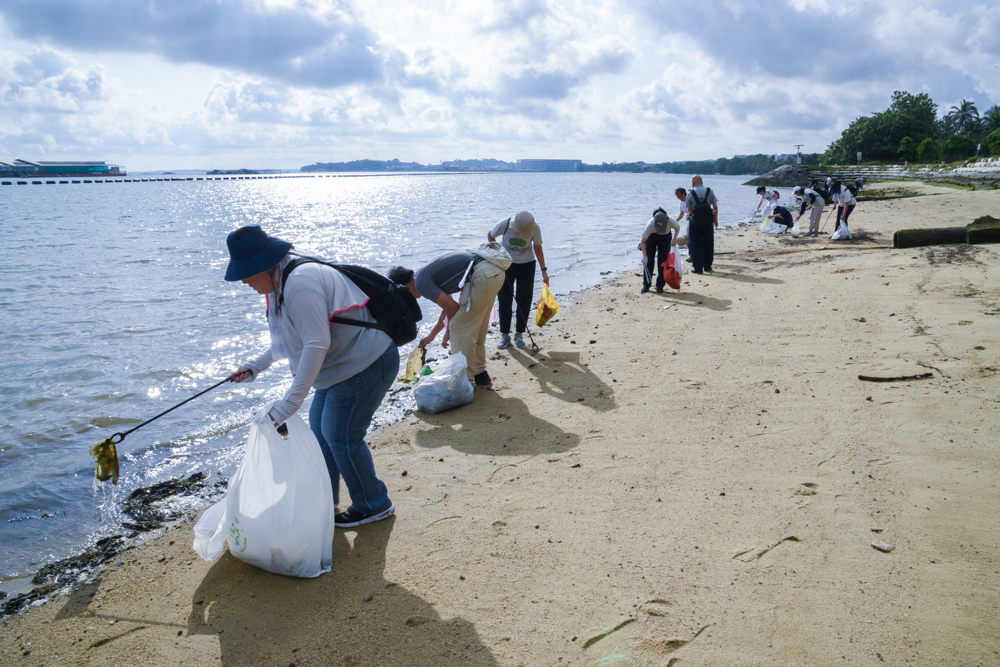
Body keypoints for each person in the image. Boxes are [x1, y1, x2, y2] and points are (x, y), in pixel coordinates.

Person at [226, 226, 396, 528]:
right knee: (321, 434)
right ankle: (323, 500)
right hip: (342, 367)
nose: (243, 281)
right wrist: (254, 366)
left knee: (340, 436)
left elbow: (316, 344)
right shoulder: (283, 279)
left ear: (263, 266)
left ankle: (374, 504)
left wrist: (286, 406)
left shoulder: (299, 284)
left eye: (245, 273)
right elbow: (294, 341)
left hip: (365, 363)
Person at [390, 250, 506, 386]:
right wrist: (432, 336)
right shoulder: (422, 276)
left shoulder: (421, 284)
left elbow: (453, 308)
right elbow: (447, 308)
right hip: (494, 272)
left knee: (458, 327)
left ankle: (465, 381)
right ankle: (480, 374)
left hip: (482, 275)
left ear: (405, 288)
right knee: (476, 325)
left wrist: (449, 332)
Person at [487, 210, 547, 349]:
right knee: (504, 298)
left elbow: (538, 248)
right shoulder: (505, 224)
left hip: (527, 265)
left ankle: (519, 334)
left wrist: (544, 270)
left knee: (524, 299)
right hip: (506, 264)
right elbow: (490, 235)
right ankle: (504, 335)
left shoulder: (535, 228)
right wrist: (497, 254)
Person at [639, 207, 680, 293]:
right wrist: (644, 256)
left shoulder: (671, 221)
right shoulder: (650, 225)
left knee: (662, 262)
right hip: (651, 238)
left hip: (665, 238)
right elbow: (643, 241)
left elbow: (677, 227)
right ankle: (646, 285)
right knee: (649, 261)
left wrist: (675, 238)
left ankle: (660, 286)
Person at [685, 175, 718, 274]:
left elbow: (689, 210)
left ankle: (698, 268)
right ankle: (707, 266)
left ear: (693, 183)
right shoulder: (710, 191)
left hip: (695, 222)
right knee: (709, 243)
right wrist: (715, 219)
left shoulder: (690, 193)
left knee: (695, 244)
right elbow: (715, 206)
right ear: (702, 182)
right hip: (708, 221)